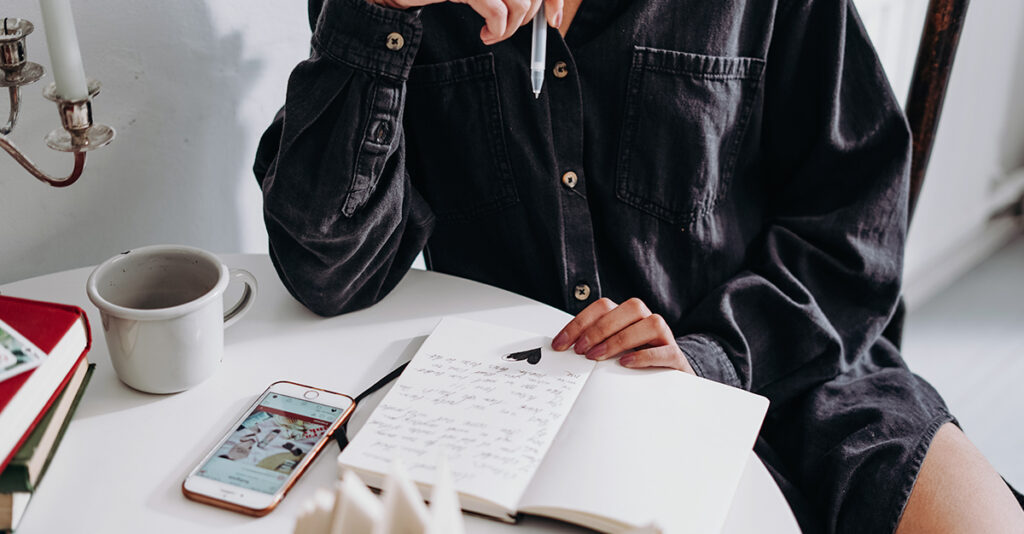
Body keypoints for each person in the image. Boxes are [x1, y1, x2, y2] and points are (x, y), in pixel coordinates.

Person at [254, 0, 1024, 531]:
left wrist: (709, 358)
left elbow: (854, 232)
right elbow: (330, 270)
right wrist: (381, 15)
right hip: (530, 414)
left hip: (800, 374)